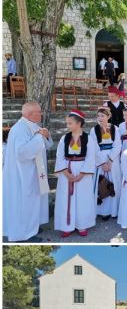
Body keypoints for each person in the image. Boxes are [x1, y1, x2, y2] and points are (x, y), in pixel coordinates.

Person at [3, 102, 52, 242]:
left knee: (33, 201)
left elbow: (46, 145)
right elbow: (22, 153)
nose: (41, 114)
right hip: (22, 175)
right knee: (24, 203)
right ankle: (23, 235)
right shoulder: (19, 129)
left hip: (33, 173)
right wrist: (38, 138)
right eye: (39, 112)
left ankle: (32, 227)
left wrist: (46, 135)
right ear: (31, 114)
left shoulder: (32, 125)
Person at [53, 110, 97, 238]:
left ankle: (82, 224)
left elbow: (90, 157)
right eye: (67, 123)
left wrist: (82, 174)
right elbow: (59, 156)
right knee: (66, 199)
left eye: (70, 123)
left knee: (82, 198)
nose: (68, 126)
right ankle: (66, 226)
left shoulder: (88, 138)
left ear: (79, 123)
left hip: (83, 172)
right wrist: (66, 173)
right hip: (67, 171)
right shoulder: (64, 138)